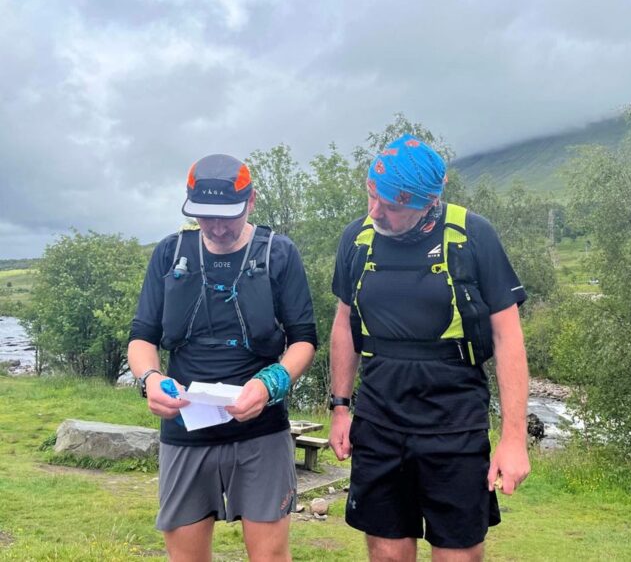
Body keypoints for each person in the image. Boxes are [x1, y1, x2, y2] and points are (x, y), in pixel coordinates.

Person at [329, 134, 530, 561]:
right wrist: (341, 407)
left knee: (458, 553)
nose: (375, 211)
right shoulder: (356, 239)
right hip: (378, 419)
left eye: (392, 206)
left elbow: (508, 338)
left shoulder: (472, 235)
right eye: (371, 195)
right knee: (385, 550)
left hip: (454, 421)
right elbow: (344, 324)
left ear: (428, 202)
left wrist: (514, 438)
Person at [128, 153, 316, 562]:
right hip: (185, 431)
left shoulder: (278, 254)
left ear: (251, 201)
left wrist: (271, 384)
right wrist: (151, 381)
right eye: (203, 216)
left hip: (261, 431)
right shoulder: (170, 253)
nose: (215, 227)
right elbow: (142, 338)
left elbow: (304, 340)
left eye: (226, 216)